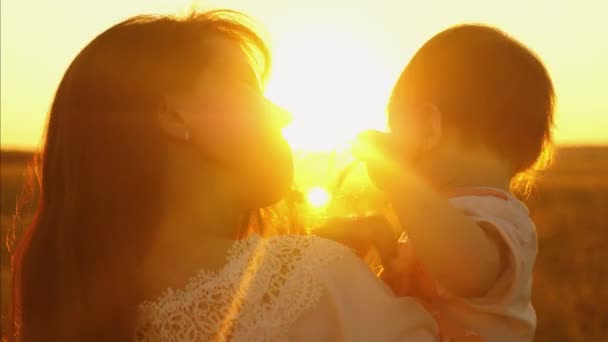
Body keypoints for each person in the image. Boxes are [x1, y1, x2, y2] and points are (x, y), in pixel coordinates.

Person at [10, 10, 438, 341]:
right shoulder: (318, 279)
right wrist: (431, 290)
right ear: (174, 114)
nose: (283, 113)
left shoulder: (73, 312)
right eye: (249, 86)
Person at [355, 24, 555, 341]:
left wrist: (399, 179)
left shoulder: (501, 218)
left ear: (428, 128)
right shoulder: (444, 214)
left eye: (395, 128)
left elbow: (466, 269)